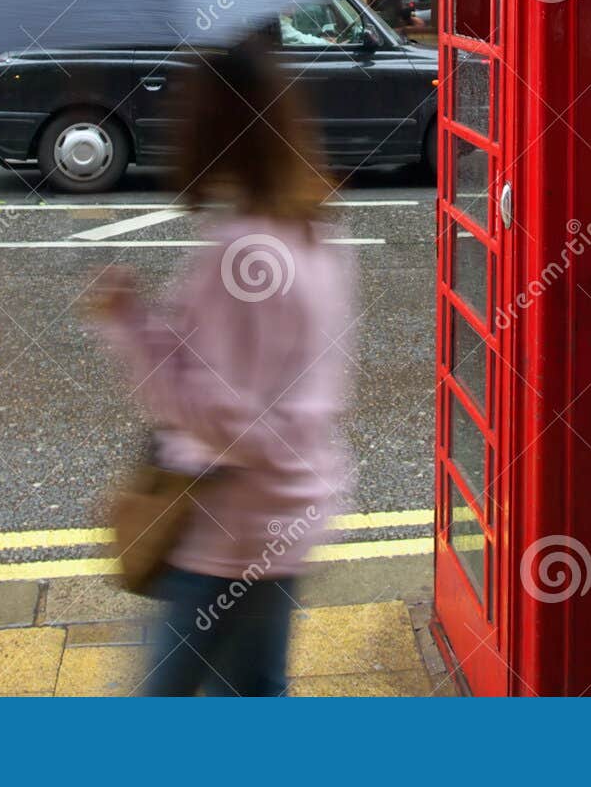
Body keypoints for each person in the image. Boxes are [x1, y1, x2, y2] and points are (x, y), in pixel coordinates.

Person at [88, 38, 353, 696]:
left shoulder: (240, 253)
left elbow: (224, 418)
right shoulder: (313, 227)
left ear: (215, 124)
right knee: (255, 691)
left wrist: (129, 328)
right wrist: (154, 324)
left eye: (187, 107)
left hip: (230, 529)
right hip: (286, 512)